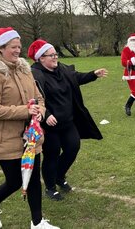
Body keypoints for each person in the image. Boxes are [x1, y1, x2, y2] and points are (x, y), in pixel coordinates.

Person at [0, 28, 59, 229]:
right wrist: (25, 110)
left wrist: (40, 110)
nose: (18, 50)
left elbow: (38, 97)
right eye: (13, 47)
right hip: (6, 139)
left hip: (31, 137)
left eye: (19, 47)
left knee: (33, 179)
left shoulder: (25, 70)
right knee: (15, 181)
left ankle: (38, 222)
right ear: (1, 48)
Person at [28, 39, 107, 201]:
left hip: (67, 121)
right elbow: (34, 99)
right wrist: (47, 114)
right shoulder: (35, 75)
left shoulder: (61, 69)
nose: (55, 57)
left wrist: (93, 75)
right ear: (41, 58)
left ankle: (59, 176)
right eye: (51, 55)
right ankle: (50, 187)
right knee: (52, 154)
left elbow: (76, 77)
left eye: (55, 54)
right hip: (49, 124)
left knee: (73, 147)